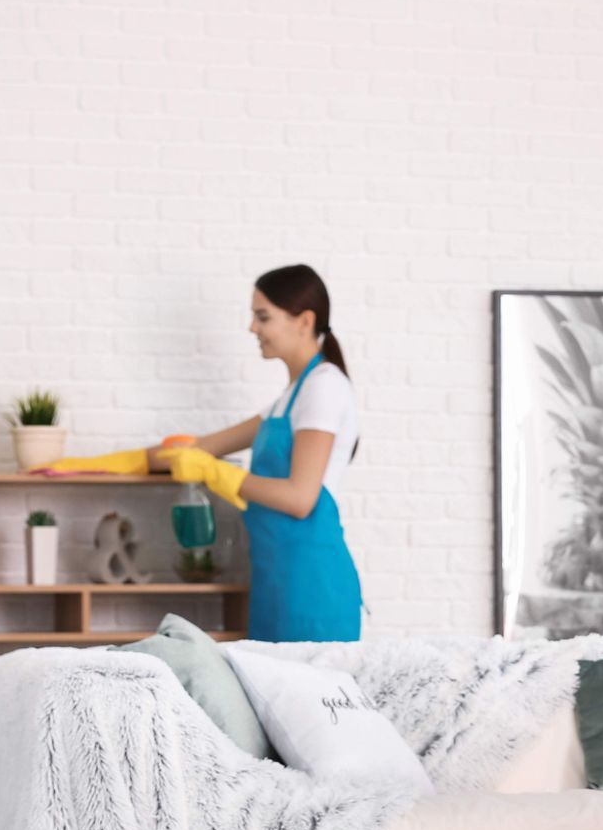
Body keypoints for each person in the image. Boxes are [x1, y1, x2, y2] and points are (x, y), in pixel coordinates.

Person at [43, 264, 363, 642]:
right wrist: (90, 467)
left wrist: (214, 473)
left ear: (304, 321)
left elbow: (300, 498)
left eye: (263, 317)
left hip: (313, 589)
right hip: (274, 581)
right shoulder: (286, 400)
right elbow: (195, 449)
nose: (252, 328)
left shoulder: (324, 387)